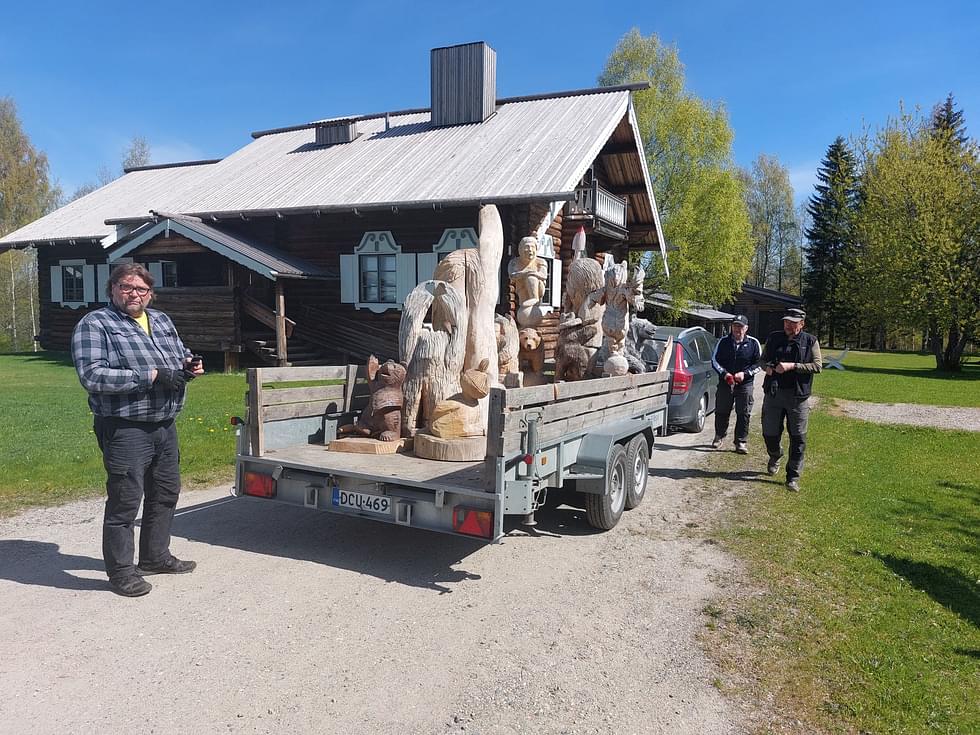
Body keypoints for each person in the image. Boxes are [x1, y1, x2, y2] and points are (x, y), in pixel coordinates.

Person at [71, 263, 204, 597]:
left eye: (141, 289)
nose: (134, 294)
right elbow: (93, 376)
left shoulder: (160, 320)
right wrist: (152, 376)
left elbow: (179, 354)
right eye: (127, 287)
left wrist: (190, 365)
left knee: (165, 492)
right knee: (125, 501)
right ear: (113, 289)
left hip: (164, 423)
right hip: (125, 426)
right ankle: (121, 572)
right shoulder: (96, 324)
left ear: (150, 292)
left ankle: (155, 557)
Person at [760, 307, 822, 492]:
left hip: (797, 397)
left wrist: (793, 366)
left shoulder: (810, 341)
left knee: (798, 438)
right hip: (774, 394)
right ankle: (775, 454)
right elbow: (762, 360)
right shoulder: (773, 337)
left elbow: (818, 366)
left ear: (802, 324)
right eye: (786, 322)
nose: (788, 325)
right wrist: (768, 369)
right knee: (769, 433)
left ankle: (792, 477)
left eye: (793, 323)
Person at [710, 314, 762, 453]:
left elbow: (759, 363)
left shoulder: (753, 343)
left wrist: (744, 374)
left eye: (740, 326)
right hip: (725, 382)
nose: (737, 329)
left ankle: (740, 442)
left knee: (743, 413)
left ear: (746, 328)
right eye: (735, 326)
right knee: (721, 410)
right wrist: (725, 374)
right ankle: (719, 436)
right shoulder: (723, 342)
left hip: (745, 384)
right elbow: (714, 360)